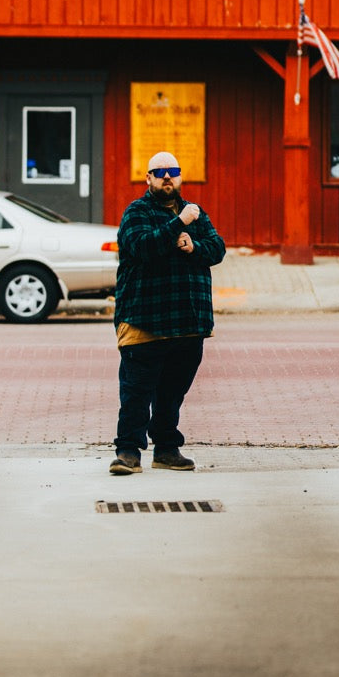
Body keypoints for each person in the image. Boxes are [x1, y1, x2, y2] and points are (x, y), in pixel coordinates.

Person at [110, 150, 226, 475]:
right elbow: (144, 247)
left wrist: (195, 247)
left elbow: (217, 248)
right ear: (147, 178)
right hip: (144, 320)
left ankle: (166, 449)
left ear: (179, 177)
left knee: (172, 393)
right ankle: (128, 453)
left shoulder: (195, 213)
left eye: (172, 171)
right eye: (158, 172)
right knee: (136, 391)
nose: (166, 177)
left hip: (188, 322)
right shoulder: (137, 212)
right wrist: (179, 224)